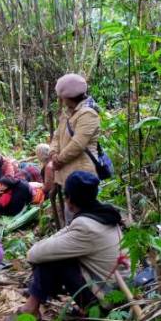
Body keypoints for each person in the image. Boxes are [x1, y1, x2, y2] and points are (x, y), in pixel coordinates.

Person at [0, 171, 123, 321]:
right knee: (54, 254)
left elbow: (34, 254)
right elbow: (64, 232)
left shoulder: (86, 226)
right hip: (117, 292)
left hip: (106, 302)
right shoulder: (102, 215)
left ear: (69, 199)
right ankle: (36, 299)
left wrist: (43, 247)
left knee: (50, 260)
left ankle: (31, 308)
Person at [49, 73, 100, 222]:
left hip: (82, 175)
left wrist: (58, 160)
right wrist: (53, 152)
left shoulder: (88, 114)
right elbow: (57, 136)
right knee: (71, 214)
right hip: (67, 173)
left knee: (82, 216)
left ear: (68, 97)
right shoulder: (67, 114)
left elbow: (78, 144)